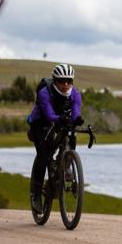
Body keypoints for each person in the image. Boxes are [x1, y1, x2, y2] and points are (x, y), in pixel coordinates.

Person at [27, 64, 84, 213]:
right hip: (41, 122)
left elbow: (76, 112)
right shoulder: (45, 93)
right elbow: (49, 115)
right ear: (55, 80)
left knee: (72, 136)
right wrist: (61, 119)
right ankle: (36, 195)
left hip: (60, 119)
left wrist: (76, 119)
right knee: (44, 155)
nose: (66, 84)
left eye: (69, 81)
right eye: (62, 81)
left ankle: (65, 165)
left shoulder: (75, 94)